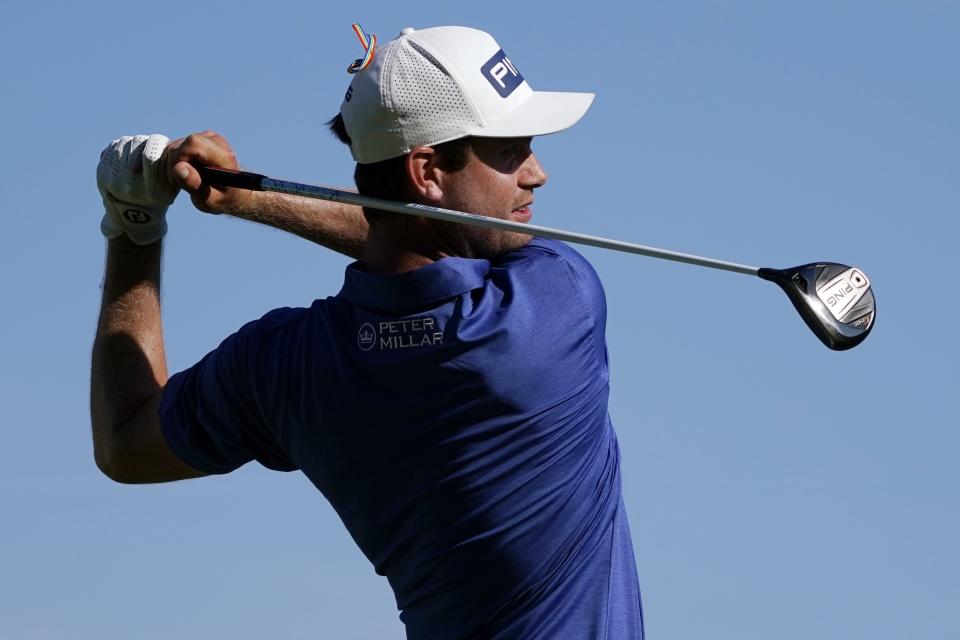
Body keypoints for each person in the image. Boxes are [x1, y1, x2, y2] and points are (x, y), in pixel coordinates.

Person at [91, 25, 643, 639]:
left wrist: (133, 226)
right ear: (427, 171)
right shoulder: (555, 300)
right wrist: (249, 199)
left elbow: (124, 444)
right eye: (510, 150)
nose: (537, 174)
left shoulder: (287, 365)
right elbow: (423, 240)